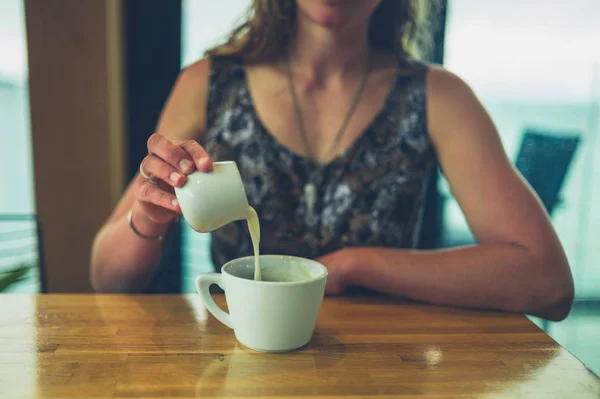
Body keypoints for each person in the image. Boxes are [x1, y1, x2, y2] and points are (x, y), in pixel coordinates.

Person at [91, 0, 574, 321]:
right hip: (237, 361)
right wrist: (146, 219)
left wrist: (356, 264)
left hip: (386, 367)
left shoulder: (438, 97)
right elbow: (105, 279)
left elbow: (548, 283)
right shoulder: (207, 82)